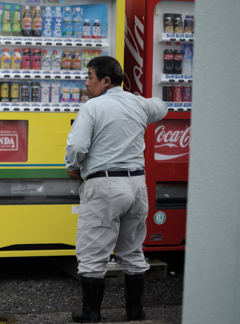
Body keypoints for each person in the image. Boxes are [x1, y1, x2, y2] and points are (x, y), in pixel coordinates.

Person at [65, 56, 167, 323]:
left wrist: (73, 166)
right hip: (137, 185)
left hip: (104, 185)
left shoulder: (93, 107)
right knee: (133, 251)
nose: (86, 84)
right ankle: (135, 313)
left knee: (92, 254)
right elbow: (162, 107)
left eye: (90, 77)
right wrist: (139, 103)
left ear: (106, 81)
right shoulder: (138, 103)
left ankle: (91, 313)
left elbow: (76, 147)